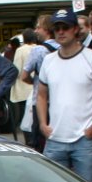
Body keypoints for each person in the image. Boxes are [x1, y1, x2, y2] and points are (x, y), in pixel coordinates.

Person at [34, 9, 92, 182]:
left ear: (75, 29)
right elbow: (41, 95)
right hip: (55, 139)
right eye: (56, 28)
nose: (60, 32)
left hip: (84, 141)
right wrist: (43, 124)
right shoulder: (49, 61)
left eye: (65, 27)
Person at [21, 14, 59, 150]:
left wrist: (35, 82)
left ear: (47, 29)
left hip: (42, 102)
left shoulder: (38, 50)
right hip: (60, 102)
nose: (36, 31)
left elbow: (24, 76)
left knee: (40, 141)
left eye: (38, 28)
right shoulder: (65, 48)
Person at [10, 28, 36, 134]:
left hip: (23, 88)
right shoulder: (40, 48)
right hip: (35, 87)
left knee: (24, 117)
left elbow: (16, 68)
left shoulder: (20, 50)